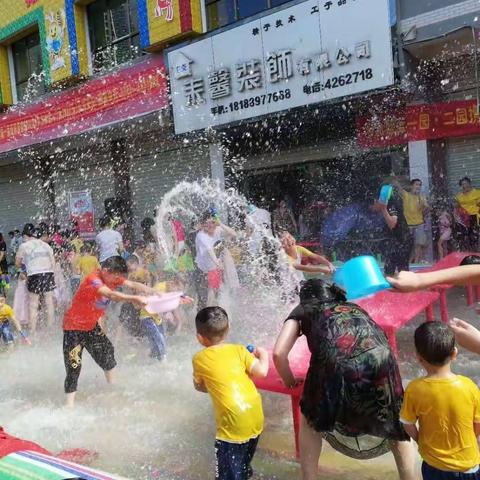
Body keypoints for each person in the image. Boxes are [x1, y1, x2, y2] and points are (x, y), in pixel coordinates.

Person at [273, 279, 415, 480]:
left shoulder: (303, 310)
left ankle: (309, 477)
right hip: (382, 359)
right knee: (394, 421)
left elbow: (279, 354)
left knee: (310, 416)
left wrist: (288, 380)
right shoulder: (351, 306)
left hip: (336, 363)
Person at [62, 256, 154, 407]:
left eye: (119, 277)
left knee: (107, 353)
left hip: (91, 326)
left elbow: (132, 284)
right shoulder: (94, 279)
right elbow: (111, 295)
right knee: (74, 365)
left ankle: (112, 388)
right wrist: (133, 298)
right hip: (73, 329)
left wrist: (154, 292)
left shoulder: (111, 278)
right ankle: (69, 405)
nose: (117, 280)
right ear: (105, 270)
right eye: (116, 276)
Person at [192, 306, 269, 480]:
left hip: (232, 424)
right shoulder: (240, 350)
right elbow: (262, 372)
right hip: (255, 415)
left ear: (199, 338)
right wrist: (263, 353)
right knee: (242, 462)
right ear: (228, 329)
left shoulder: (199, 359)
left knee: (226, 475)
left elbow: (200, 386)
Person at [400, 322, 480, 479]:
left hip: (434, 465)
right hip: (468, 466)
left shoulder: (415, 389)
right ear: (454, 353)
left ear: (418, 357)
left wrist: (420, 440)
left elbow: (407, 423)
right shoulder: (469, 386)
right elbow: (478, 425)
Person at [15, 223, 56, 334]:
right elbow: (53, 262)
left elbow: (17, 263)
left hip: (34, 274)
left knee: (34, 303)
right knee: (49, 302)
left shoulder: (24, 246)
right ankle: (51, 328)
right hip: (48, 273)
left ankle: (32, 331)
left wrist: (24, 269)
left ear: (25, 235)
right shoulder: (45, 245)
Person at [195, 211, 236, 307]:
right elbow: (210, 250)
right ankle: (209, 312)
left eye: (213, 223)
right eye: (207, 224)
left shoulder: (217, 229)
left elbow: (234, 234)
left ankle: (215, 309)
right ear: (203, 225)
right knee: (211, 291)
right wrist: (217, 262)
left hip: (214, 266)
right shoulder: (201, 235)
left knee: (216, 289)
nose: (211, 226)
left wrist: (220, 224)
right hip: (205, 268)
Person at [373, 186, 413, 276]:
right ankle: (393, 287)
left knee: (402, 272)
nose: (374, 204)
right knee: (390, 270)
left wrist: (383, 209)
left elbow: (392, 223)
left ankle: (401, 287)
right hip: (399, 240)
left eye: (375, 201)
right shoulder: (394, 203)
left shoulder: (390, 205)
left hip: (402, 241)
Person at [394, 179, 429, 263]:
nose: (418, 186)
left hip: (419, 223)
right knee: (407, 244)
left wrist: (424, 209)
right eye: (416, 184)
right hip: (408, 224)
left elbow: (427, 209)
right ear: (411, 186)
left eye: (420, 185)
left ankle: (416, 262)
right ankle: (408, 261)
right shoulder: (406, 195)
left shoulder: (422, 198)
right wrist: (394, 178)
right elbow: (399, 188)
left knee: (418, 244)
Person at [455, 177, 480, 251]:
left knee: (474, 235)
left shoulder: (477, 193)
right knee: (464, 236)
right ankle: (467, 252)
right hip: (463, 218)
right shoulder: (459, 196)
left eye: (466, 183)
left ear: (470, 184)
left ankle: (475, 251)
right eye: (462, 184)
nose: (464, 186)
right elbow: (456, 207)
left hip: (474, 216)